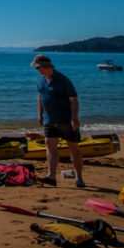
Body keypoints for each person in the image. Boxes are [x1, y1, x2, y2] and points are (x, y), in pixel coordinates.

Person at [32, 54, 85, 187]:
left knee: (74, 148)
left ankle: (79, 178)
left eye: (38, 67)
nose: (37, 70)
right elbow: (40, 96)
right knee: (50, 146)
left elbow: (73, 100)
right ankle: (51, 176)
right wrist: (40, 114)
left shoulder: (63, 80)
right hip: (49, 120)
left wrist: (74, 118)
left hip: (66, 120)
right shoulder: (41, 80)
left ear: (45, 66)